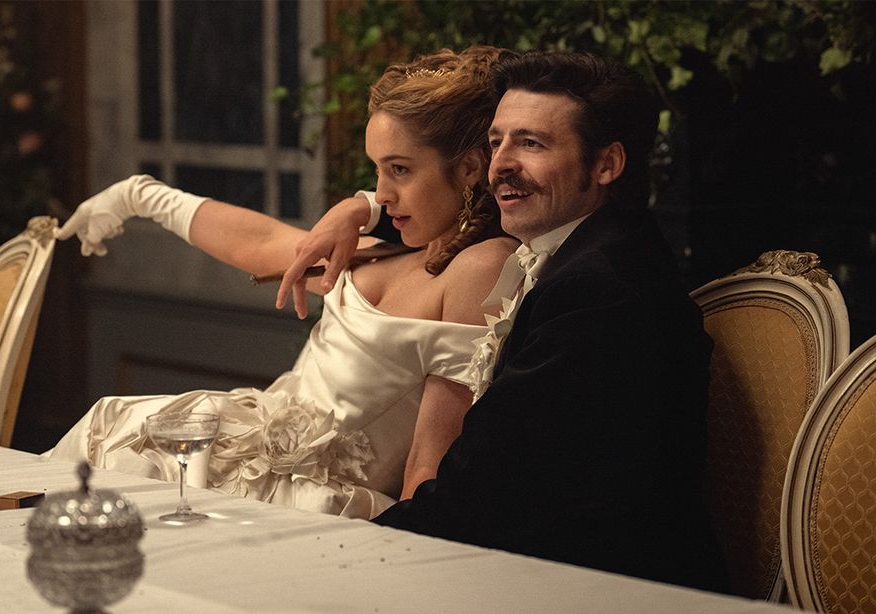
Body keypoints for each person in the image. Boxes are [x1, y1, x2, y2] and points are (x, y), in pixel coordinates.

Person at [278, 51, 728, 592]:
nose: (500, 165)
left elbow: (485, 492)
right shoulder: (593, 245)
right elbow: (445, 204)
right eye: (496, 142)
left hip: (596, 588)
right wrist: (362, 208)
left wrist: (342, 559)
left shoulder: (600, 294)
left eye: (532, 143)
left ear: (607, 164)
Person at [44, 46, 518, 520]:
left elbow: (430, 464)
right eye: (378, 172)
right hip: (238, 457)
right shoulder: (392, 250)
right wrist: (139, 196)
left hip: (298, 503)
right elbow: (261, 240)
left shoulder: (480, 268)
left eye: (400, 169)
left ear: (471, 168)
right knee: (113, 436)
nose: (382, 193)